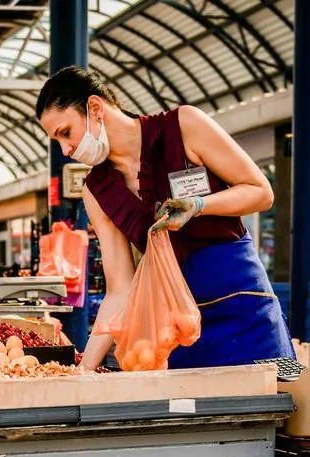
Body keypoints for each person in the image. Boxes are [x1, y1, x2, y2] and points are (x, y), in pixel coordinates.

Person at [35, 67, 293, 370]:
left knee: (268, 407)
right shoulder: (96, 190)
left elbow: (261, 192)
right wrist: (84, 370)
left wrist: (199, 204)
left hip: (244, 309)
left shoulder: (184, 125)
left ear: (94, 108)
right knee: (192, 413)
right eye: (57, 141)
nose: (66, 150)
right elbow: (120, 290)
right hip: (177, 329)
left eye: (66, 133)